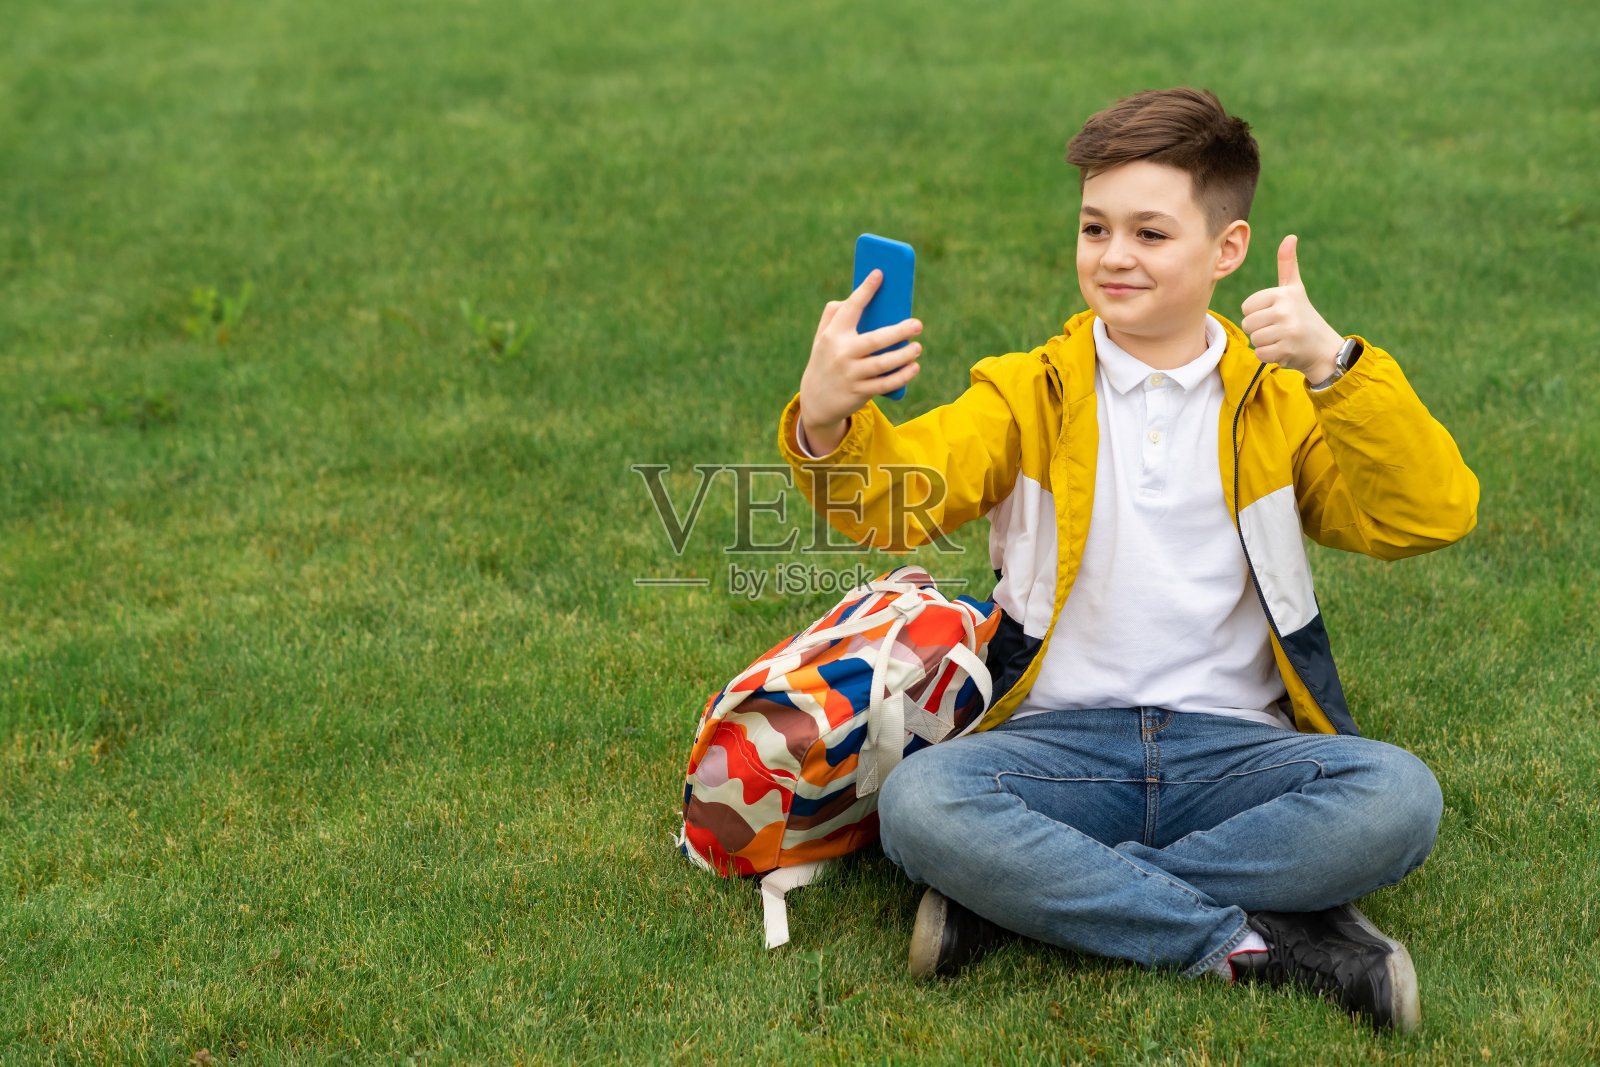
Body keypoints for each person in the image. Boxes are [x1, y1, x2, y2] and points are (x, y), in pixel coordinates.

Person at [777, 87, 1478, 1032]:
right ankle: (1248, 943)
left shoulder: (1279, 402)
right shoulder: (1027, 392)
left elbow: (1428, 513)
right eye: (1095, 227)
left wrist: (1337, 368)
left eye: (1150, 234)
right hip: (1058, 748)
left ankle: (1028, 904)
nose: (1113, 256)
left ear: (1226, 250)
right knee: (921, 805)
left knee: (1399, 797)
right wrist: (827, 420)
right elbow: (898, 501)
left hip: (1237, 748)